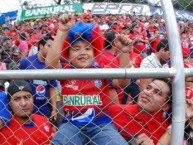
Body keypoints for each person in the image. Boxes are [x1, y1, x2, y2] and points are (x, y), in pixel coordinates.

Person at [45, 14, 132, 145]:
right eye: (76, 49)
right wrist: (62, 32)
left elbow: (123, 83)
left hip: (101, 124)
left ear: (95, 53)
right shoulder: (66, 72)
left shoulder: (101, 72)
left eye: (87, 48)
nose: (82, 52)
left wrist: (124, 53)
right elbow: (50, 64)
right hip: (71, 124)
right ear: (67, 55)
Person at [108, 78, 172, 145]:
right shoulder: (115, 110)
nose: (148, 93)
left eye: (157, 93)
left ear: (166, 106)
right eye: (148, 88)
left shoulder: (166, 132)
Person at [0, 80, 54, 144]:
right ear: (10, 104)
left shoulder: (44, 120)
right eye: (16, 99)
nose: (23, 103)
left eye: (27, 97)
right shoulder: (5, 131)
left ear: (33, 99)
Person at [18, 35, 58, 120]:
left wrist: (54, 110)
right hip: (27, 106)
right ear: (41, 46)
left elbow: (52, 88)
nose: (52, 50)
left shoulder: (51, 66)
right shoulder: (26, 62)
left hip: (44, 108)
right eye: (49, 46)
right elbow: (16, 81)